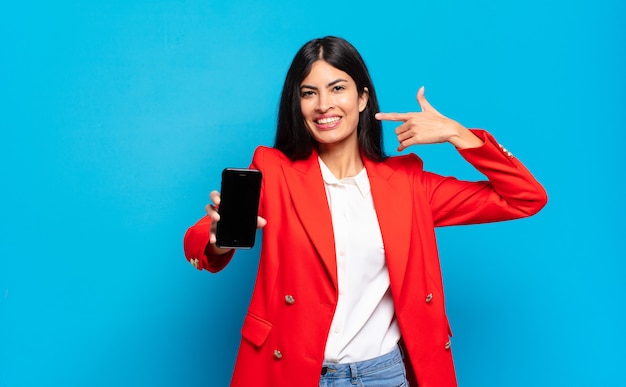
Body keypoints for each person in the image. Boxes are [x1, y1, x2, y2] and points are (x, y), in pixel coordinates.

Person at [183, 36, 547, 387]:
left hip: (384, 375)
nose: (324, 104)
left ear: (362, 98)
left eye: (337, 88)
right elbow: (198, 240)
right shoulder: (275, 172)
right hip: (294, 372)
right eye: (309, 93)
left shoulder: (408, 184)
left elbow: (525, 198)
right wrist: (217, 240)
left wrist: (458, 134)